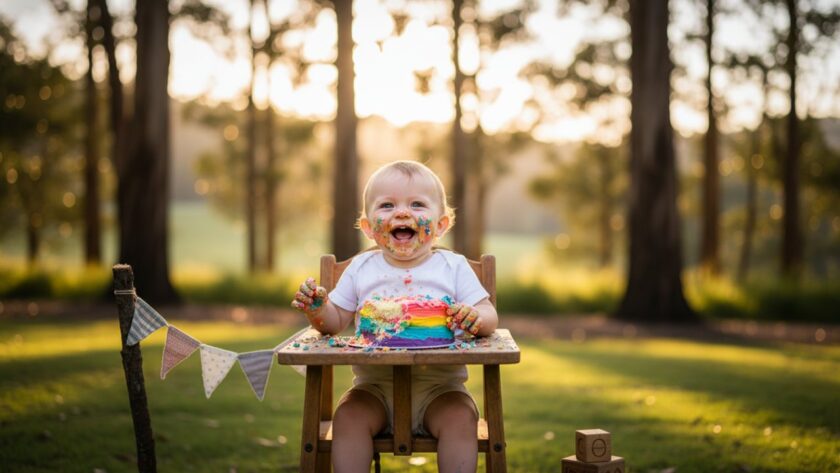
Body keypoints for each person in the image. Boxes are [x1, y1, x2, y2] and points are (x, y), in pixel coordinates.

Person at [291, 161, 498, 473]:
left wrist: (475, 317)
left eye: (416, 204)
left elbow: (489, 314)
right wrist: (318, 309)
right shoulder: (361, 269)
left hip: (441, 389)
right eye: (387, 205)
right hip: (374, 389)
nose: (402, 213)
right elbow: (334, 323)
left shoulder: (453, 267)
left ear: (441, 225)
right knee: (348, 417)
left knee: (461, 417)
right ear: (369, 227)